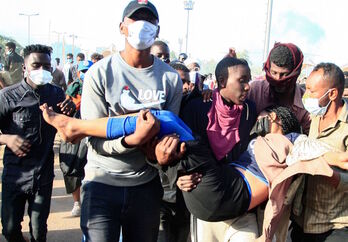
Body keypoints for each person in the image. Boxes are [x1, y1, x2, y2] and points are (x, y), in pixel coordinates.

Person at [79, 1, 183, 241]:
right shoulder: (100, 73)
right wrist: (132, 140)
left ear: (157, 31)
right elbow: (92, 139)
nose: (143, 26)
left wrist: (160, 153)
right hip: (102, 181)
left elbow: (169, 134)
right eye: (136, 20)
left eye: (150, 21)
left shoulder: (169, 78)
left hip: (145, 186)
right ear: (122, 27)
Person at [0, 44, 75, 242]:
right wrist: (7, 138)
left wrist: (69, 110)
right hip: (15, 174)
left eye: (46, 66)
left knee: (39, 230)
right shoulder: (8, 96)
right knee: (9, 230)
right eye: (36, 65)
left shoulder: (57, 94)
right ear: (24, 67)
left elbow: (69, 127)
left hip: (43, 174)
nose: (42, 70)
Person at [290, 62, 348, 242]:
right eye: (306, 89)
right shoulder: (314, 118)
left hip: (333, 226)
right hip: (302, 222)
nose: (306, 96)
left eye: (312, 91)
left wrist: (329, 173)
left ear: (332, 93)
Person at [247, 42, 311, 134]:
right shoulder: (254, 91)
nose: (278, 79)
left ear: (296, 73)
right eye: (274, 73)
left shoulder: (306, 103)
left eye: (284, 74)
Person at [61, 60, 93, 217]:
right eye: (83, 71)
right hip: (75, 131)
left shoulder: (99, 87)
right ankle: (76, 203)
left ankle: (89, 202)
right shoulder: (73, 89)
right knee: (71, 168)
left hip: (93, 132)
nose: (86, 74)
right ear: (79, 73)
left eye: (89, 70)